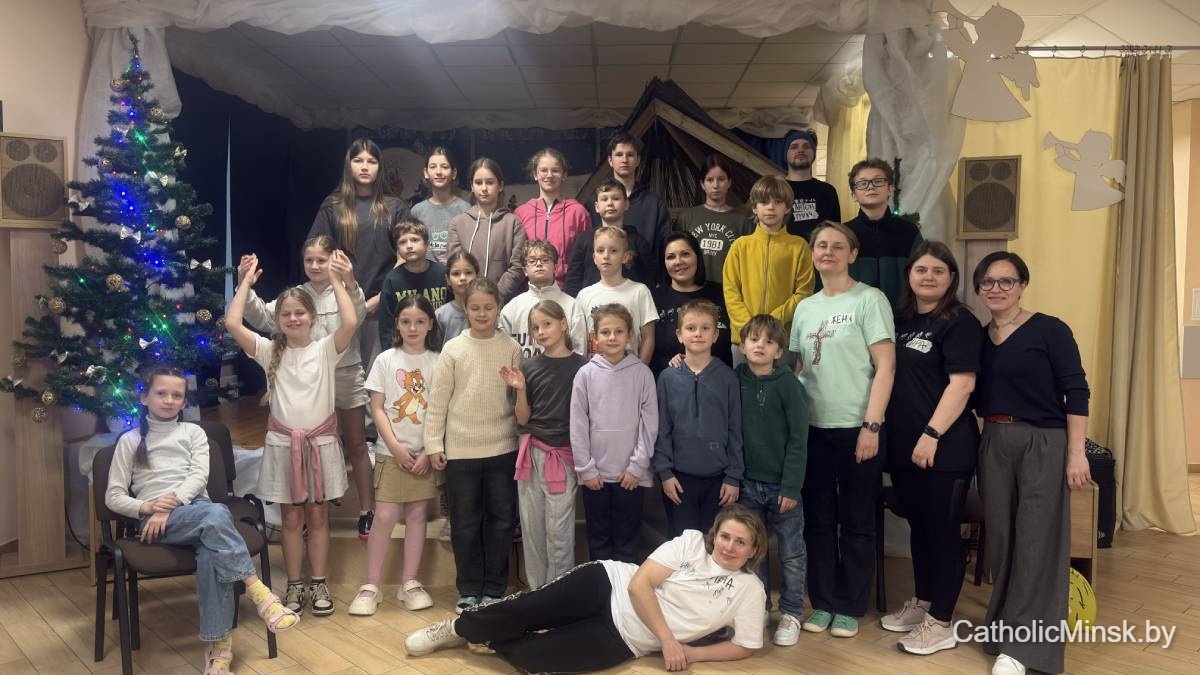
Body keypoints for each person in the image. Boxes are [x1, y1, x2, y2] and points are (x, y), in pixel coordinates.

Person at [404, 505, 768, 673]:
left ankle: (489, 635)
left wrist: (691, 653)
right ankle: (459, 627)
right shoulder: (690, 543)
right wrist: (668, 641)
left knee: (533, 660)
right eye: (725, 536)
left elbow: (745, 646)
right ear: (715, 534)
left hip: (627, 639)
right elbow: (641, 585)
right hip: (609, 585)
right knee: (528, 609)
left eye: (740, 542)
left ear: (754, 550)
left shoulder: (750, 590)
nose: (729, 547)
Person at [106, 368, 299, 674]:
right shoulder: (130, 440)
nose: (169, 400)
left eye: (177, 395)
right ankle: (260, 593)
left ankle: (219, 651)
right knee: (218, 515)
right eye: (161, 393)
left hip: (197, 511)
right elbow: (113, 496)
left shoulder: (193, 433)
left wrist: (170, 505)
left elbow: (199, 477)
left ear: (185, 402)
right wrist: (149, 507)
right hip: (156, 523)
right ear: (144, 397)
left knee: (211, 550)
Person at [973, 251, 1091, 675]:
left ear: (1023, 285)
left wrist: (1076, 452)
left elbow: (1077, 391)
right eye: (988, 282)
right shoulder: (979, 338)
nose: (997, 288)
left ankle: (1026, 650)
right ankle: (1005, 630)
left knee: (1037, 543)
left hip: (1044, 441)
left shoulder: (1050, 330)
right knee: (1003, 540)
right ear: (978, 289)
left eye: (1006, 281)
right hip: (994, 441)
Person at [226, 251, 360, 618]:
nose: (293, 318)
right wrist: (245, 282)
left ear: (312, 318)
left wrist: (336, 280)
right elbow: (233, 322)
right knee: (290, 519)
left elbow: (350, 320)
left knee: (318, 517)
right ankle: (295, 583)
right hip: (284, 446)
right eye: (286, 314)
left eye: (300, 313)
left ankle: (319, 581)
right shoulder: (269, 350)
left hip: (319, 445)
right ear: (278, 320)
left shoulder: (325, 349)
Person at [790, 222, 895, 639]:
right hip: (813, 429)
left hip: (857, 428)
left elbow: (886, 367)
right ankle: (823, 602)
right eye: (821, 245)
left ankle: (850, 605)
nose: (828, 252)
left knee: (856, 520)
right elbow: (798, 368)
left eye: (838, 246)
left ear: (852, 254)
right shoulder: (805, 307)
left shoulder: (870, 299)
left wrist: (872, 424)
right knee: (817, 520)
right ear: (812, 254)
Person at [881, 241, 984, 655]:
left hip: (945, 445)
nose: (929, 277)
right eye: (921, 270)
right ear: (909, 275)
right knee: (919, 528)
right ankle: (923, 602)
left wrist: (932, 434)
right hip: (904, 446)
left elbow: (963, 384)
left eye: (938, 271)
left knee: (942, 533)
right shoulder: (902, 320)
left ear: (951, 278)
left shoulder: (960, 321)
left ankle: (941, 622)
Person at [237, 236, 373, 539]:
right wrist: (244, 284)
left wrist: (349, 282)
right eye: (309, 260)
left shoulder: (346, 288)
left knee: (355, 442)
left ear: (334, 260)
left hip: (345, 373)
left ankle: (366, 510)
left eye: (321, 260)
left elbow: (357, 317)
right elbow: (261, 316)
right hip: (307, 379)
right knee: (312, 441)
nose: (314, 265)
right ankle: (313, 508)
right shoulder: (297, 295)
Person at [424, 278, 523, 614]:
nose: (482, 313)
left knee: (501, 520)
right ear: (465, 309)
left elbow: (517, 397)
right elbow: (438, 399)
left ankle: (494, 588)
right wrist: (434, 443)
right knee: (465, 522)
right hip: (461, 451)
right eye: (475, 307)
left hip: (503, 448)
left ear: (498, 308)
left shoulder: (511, 347)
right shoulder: (453, 349)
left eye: (488, 307)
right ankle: (468, 589)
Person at [350, 296, 444, 616]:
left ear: (430, 325)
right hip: (391, 452)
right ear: (397, 325)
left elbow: (440, 409)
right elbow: (377, 409)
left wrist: (429, 450)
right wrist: (395, 447)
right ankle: (371, 585)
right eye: (406, 322)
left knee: (417, 515)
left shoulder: (438, 361)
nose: (413, 328)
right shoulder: (385, 360)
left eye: (419, 321)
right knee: (386, 516)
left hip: (424, 454)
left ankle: (410, 583)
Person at [499, 299, 589, 588]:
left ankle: (559, 593)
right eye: (535, 328)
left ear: (563, 324)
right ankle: (537, 591)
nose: (541, 332)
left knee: (559, 530)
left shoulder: (583, 367)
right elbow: (523, 418)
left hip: (563, 456)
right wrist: (520, 390)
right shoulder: (529, 367)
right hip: (532, 453)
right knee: (532, 527)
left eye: (547, 324)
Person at [735, 314, 810, 647]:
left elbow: (798, 439)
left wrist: (792, 486)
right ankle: (760, 607)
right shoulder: (735, 379)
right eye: (754, 339)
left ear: (779, 351)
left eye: (769, 341)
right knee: (754, 553)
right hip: (747, 485)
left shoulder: (789, 385)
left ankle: (791, 612)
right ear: (742, 346)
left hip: (783, 487)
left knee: (791, 553)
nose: (760, 346)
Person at [308, 138, 410, 374]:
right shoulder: (332, 206)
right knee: (341, 377)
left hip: (382, 307)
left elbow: (407, 257)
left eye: (371, 161)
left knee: (379, 378)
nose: (364, 167)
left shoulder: (396, 207)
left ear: (380, 167)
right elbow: (316, 253)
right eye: (358, 160)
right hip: (339, 307)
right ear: (348, 165)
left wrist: (380, 298)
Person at [570, 303, 658, 563]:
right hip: (595, 476)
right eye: (605, 332)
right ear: (595, 336)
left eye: (619, 331)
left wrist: (637, 467)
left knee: (627, 540)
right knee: (598, 539)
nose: (612, 337)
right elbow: (577, 425)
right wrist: (586, 469)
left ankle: (626, 586)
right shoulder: (585, 374)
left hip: (630, 476)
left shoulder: (642, 373)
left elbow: (649, 424)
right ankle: (602, 585)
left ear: (629, 334)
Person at [654, 299, 742, 538]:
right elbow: (662, 429)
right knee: (683, 544)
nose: (698, 334)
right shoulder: (668, 378)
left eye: (705, 328)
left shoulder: (728, 378)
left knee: (713, 544)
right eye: (691, 328)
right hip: (679, 480)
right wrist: (665, 473)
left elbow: (735, 430)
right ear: (679, 335)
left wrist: (733, 476)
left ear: (715, 335)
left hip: (719, 481)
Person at [723, 175, 815, 365]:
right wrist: (750, 328)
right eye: (764, 202)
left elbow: (804, 292)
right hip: (744, 338)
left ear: (787, 207)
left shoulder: (799, 247)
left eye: (778, 202)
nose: (771, 207)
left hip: (781, 339)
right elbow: (731, 291)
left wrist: (773, 322)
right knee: (742, 383)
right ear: (754, 208)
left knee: (780, 383)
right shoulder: (740, 246)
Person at [843, 159, 923, 307]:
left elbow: (922, 275)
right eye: (862, 183)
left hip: (902, 316)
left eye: (878, 181)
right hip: (855, 315)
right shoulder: (844, 234)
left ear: (890, 189)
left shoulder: (909, 231)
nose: (870, 187)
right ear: (854, 195)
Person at [650, 231, 732, 374]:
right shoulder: (653, 298)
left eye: (685, 254)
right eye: (670, 257)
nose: (678, 261)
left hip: (719, 381)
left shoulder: (723, 293)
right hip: (666, 382)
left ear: (697, 256)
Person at [575, 226, 658, 364]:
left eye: (613, 250)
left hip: (631, 369)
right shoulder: (584, 295)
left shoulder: (640, 292)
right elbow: (579, 340)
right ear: (594, 258)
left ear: (625, 257)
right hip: (595, 370)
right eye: (600, 250)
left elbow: (648, 338)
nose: (606, 256)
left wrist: (641, 369)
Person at [447, 157, 526, 302]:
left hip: (502, 304)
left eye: (490, 182)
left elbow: (518, 266)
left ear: (500, 186)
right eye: (478, 183)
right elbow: (456, 267)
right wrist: (472, 298)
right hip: (467, 304)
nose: (484, 188)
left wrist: (494, 297)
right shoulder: (457, 223)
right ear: (472, 186)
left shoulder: (513, 222)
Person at [514, 148, 591, 288]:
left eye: (555, 170)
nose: (549, 175)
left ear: (564, 175)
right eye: (544, 170)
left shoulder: (578, 212)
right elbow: (516, 259)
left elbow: (586, 258)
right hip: (529, 291)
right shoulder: (521, 213)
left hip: (566, 290)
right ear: (535, 174)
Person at [565, 178, 656, 295]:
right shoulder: (584, 240)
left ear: (626, 204)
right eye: (604, 199)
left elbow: (649, 281)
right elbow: (573, 280)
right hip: (592, 303)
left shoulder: (638, 242)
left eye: (616, 198)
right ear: (597, 207)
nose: (610, 203)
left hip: (628, 302)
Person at [674, 154, 754, 287]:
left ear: (729, 182)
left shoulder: (742, 222)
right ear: (702, 184)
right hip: (692, 289)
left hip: (727, 291)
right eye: (710, 180)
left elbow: (748, 264)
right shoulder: (686, 218)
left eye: (721, 179)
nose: (715, 185)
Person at [499, 239, 588, 358]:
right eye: (532, 261)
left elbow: (579, 352)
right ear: (525, 270)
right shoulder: (511, 309)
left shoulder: (572, 306)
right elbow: (503, 352)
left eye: (545, 260)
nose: (539, 264)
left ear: (555, 267)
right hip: (522, 370)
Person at [593, 132, 671, 259]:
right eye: (619, 154)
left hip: (645, 269)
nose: (624, 160)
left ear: (638, 160)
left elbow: (664, 247)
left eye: (630, 155)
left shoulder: (654, 204)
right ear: (610, 160)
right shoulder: (597, 204)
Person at [378, 219, 450, 347]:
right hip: (404, 348)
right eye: (402, 242)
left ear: (427, 245)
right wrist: (390, 351)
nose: (409, 246)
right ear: (397, 249)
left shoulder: (442, 274)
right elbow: (386, 325)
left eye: (415, 240)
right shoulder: (392, 280)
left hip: (440, 346)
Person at [410, 147, 471, 263]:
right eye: (433, 167)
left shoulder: (465, 209)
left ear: (454, 173)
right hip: (425, 273)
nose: (438, 172)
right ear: (426, 173)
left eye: (444, 167)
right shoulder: (416, 211)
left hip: (457, 272)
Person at [782, 129, 841, 240]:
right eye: (794, 147)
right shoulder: (776, 190)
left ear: (814, 154)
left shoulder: (828, 191)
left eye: (806, 146)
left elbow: (836, 232)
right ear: (786, 154)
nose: (800, 150)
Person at [434, 250, 479, 343]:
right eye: (456, 274)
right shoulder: (440, 315)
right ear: (448, 280)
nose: (463, 278)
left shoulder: (486, 311)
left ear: (477, 276)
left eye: (468, 273)